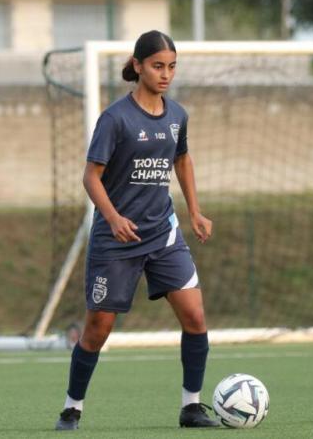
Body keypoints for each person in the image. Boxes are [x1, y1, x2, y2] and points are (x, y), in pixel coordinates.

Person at [55, 30, 218, 430]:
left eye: (172, 67)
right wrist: (111, 217)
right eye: (158, 66)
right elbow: (91, 177)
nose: (166, 75)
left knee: (195, 317)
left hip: (163, 234)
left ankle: (191, 407)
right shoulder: (115, 118)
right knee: (98, 330)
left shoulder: (177, 115)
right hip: (116, 240)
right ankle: (72, 407)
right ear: (139, 65)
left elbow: (182, 160)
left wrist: (194, 211)